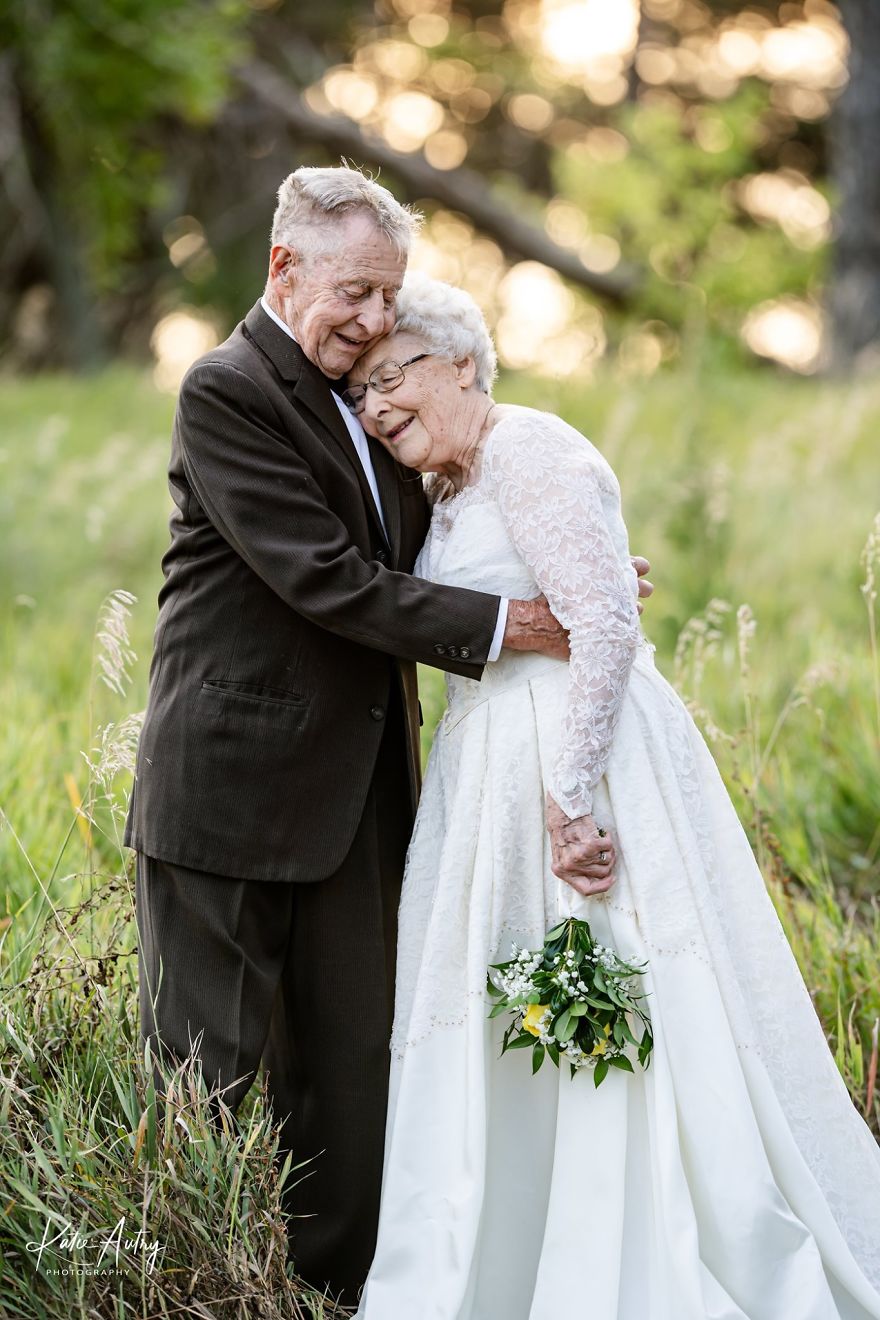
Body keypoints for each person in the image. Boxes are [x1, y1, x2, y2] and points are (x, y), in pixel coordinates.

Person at [124, 166, 652, 1304]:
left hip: (367, 793)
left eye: (389, 296)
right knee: (202, 1075)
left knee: (359, 1073)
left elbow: (434, 545)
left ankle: (342, 1295)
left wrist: (570, 565)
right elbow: (324, 578)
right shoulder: (227, 390)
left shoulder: (367, 400)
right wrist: (519, 623)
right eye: (354, 292)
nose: (373, 320)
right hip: (226, 794)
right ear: (284, 268)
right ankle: (187, 1289)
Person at [347, 274, 880, 1319]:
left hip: (575, 764)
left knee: (617, 988)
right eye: (361, 393)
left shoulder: (529, 447)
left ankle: (636, 1260)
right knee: (516, 1007)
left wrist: (570, 797)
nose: (377, 407)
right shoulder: (451, 488)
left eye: (392, 376)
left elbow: (604, 626)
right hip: (486, 773)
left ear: (464, 363)